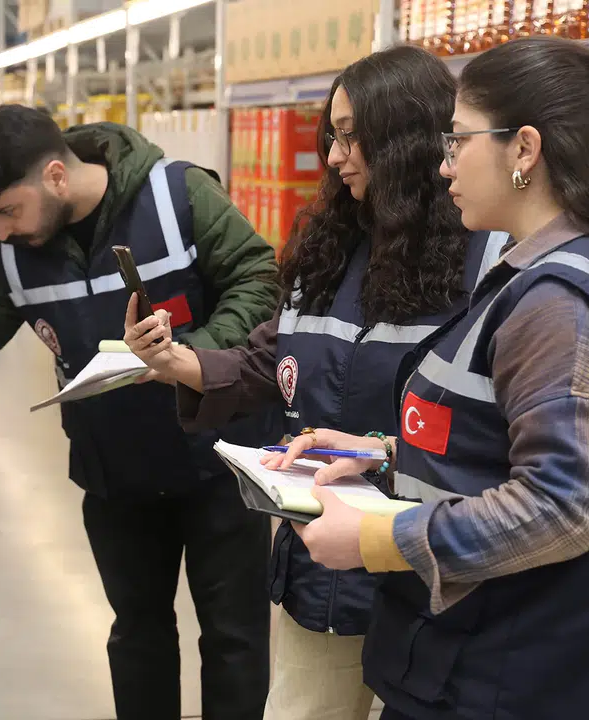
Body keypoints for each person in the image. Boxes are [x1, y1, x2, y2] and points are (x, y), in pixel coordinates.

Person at [259, 36, 589, 719]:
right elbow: (503, 441)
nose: (445, 161)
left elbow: (564, 505)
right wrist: (384, 454)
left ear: (524, 149)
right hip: (494, 660)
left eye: (459, 140)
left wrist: (375, 537)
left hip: (519, 671)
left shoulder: (559, 304)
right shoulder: (531, 273)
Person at [0, 104, 281, 718]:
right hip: (116, 475)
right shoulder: (15, 252)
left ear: (57, 177)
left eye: (9, 209)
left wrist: (191, 358)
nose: (2, 230)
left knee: (234, 638)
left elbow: (258, 277)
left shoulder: (178, 195)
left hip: (218, 462)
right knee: (137, 635)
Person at [122, 46, 507, 720]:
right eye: (333, 134)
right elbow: (273, 360)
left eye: (355, 136)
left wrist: (382, 452)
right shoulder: (328, 250)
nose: (334, 155)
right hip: (320, 564)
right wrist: (175, 362)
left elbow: (492, 433)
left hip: (432, 575)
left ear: (410, 139)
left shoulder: (485, 263)